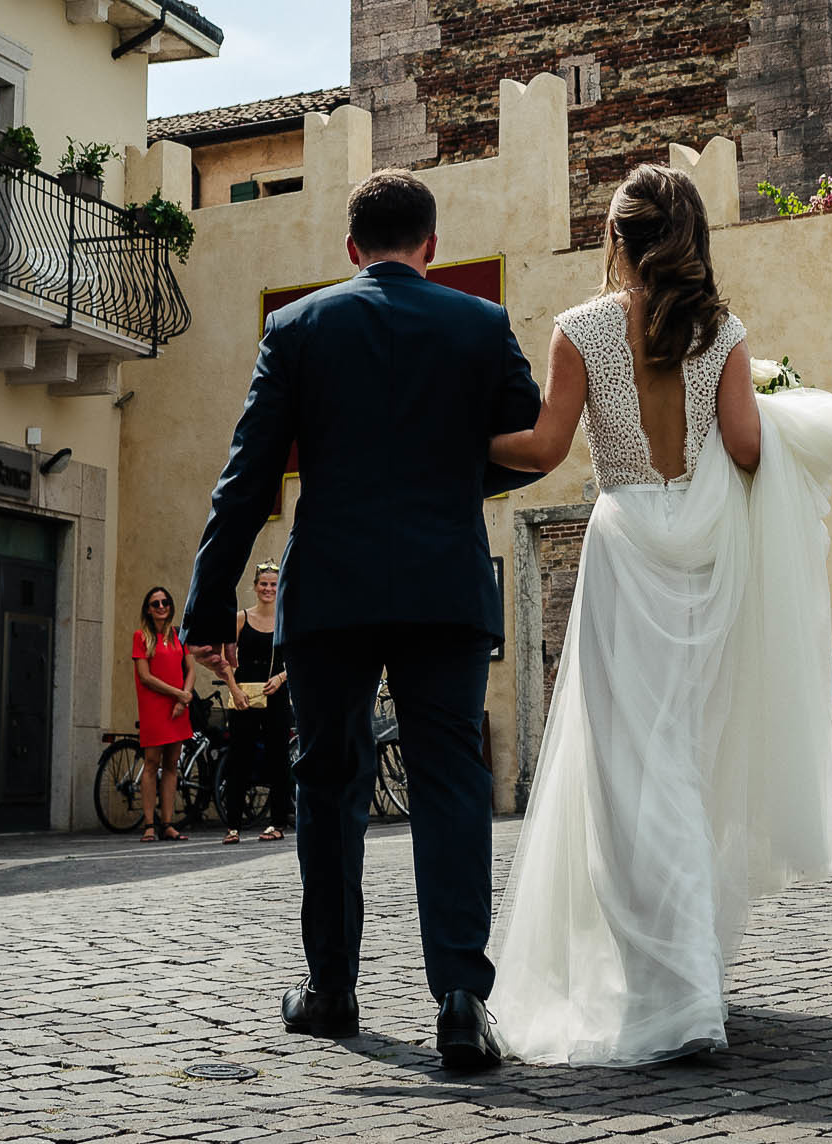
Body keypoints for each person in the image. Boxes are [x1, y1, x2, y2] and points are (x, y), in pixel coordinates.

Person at [484, 163, 832, 1067]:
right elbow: (745, 446)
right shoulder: (720, 331)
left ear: (616, 236)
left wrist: (454, 439)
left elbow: (544, 447)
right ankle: (690, 986)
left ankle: (670, 988)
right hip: (703, 553)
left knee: (626, 773)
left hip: (626, 549)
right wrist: (773, 406)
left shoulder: (579, 329)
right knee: (684, 759)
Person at [180, 167, 542, 1071]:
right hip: (443, 586)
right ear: (431, 244)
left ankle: (332, 988)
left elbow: (249, 475)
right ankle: (460, 999)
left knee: (329, 781)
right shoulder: (480, 323)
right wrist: (449, 483)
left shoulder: (298, 326)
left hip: (332, 592)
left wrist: (210, 602)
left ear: (351, 248)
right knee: (450, 781)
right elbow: (529, 443)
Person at [219, 561, 292, 844]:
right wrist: (234, 690)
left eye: (273, 584)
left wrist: (281, 678)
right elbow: (224, 660)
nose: (268, 589)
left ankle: (277, 822)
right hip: (245, 695)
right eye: (264, 584)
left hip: (275, 693)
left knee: (278, 758)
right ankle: (233, 826)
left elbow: (298, 656)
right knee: (239, 758)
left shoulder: (286, 619)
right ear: (255, 586)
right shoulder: (241, 618)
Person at [131, 585, 193, 843]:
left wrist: (184, 697)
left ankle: (167, 823)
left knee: (171, 765)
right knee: (151, 763)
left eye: (165, 602)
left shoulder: (178, 635)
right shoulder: (141, 637)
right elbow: (145, 677)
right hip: (155, 708)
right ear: (148, 609)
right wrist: (177, 694)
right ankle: (149, 824)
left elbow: (190, 669)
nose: (161, 607)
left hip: (178, 708)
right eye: (155, 603)